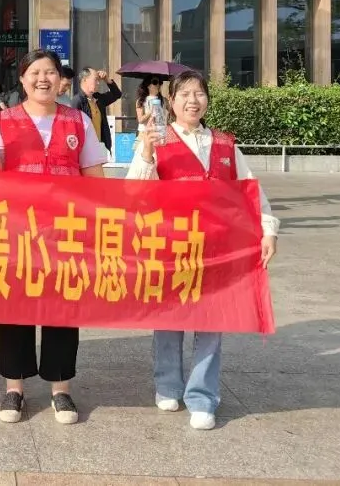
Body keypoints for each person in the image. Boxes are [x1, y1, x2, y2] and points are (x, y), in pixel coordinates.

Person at [126, 69, 278, 432]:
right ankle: (168, 385)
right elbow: (133, 194)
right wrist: (146, 150)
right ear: (171, 102)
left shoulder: (225, 144)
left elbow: (250, 190)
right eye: (185, 95)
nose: (192, 101)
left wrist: (268, 229)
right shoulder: (156, 140)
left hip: (216, 248)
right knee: (169, 320)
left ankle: (203, 397)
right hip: (171, 246)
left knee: (212, 321)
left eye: (199, 94)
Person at [0, 49, 108, 425]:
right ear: (22, 79)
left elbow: (94, 177)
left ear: (60, 80)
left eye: (50, 72)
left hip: (65, 231)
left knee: (62, 307)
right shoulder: (3, 120)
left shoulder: (78, 120)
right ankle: (14, 388)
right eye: (34, 72)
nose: (43, 79)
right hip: (17, 230)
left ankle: (60, 389)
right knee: (14, 306)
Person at [71, 67, 121, 152]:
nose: (98, 83)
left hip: (101, 146)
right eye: (95, 80)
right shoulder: (77, 101)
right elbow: (73, 129)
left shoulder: (98, 98)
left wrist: (107, 80)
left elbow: (117, 94)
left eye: (98, 80)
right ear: (85, 80)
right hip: (85, 149)